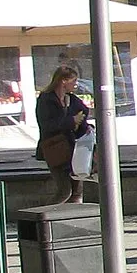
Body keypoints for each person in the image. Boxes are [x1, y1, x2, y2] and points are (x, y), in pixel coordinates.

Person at [34, 65, 89, 204]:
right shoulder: (46, 99)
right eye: (73, 81)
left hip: (71, 148)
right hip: (55, 148)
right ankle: (46, 219)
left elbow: (84, 111)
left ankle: (75, 219)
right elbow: (48, 125)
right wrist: (72, 121)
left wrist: (83, 126)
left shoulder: (71, 99)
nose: (75, 85)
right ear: (63, 81)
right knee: (64, 189)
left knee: (77, 188)